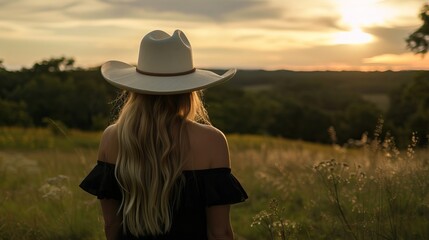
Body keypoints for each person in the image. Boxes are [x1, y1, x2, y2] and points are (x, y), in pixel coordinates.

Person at [79, 29, 248, 240]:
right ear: (190, 90)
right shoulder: (212, 141)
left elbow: (112, 225)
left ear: (136, 89)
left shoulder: (111, 137)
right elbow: (219, 232)